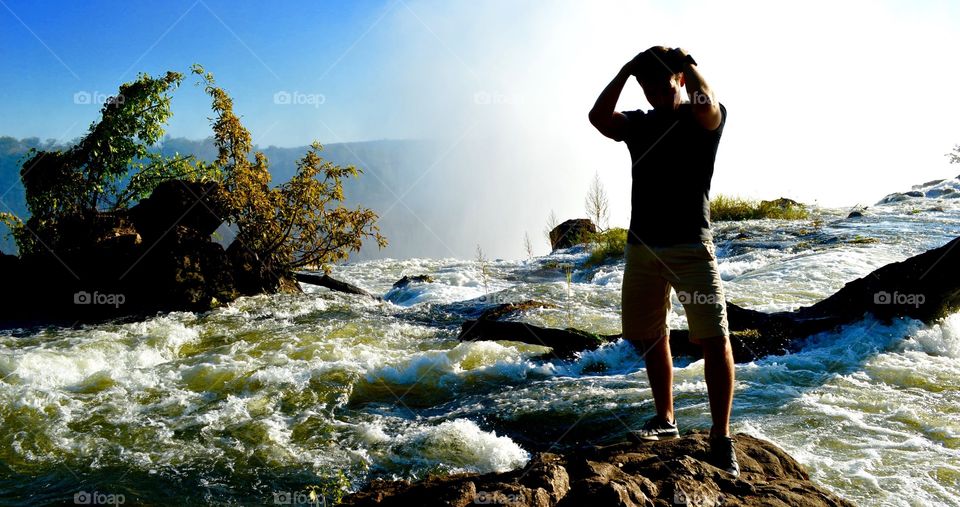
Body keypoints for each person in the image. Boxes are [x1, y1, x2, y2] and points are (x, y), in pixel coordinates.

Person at [588, 45, 739, 477]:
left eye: (662, 86)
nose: (655, 94)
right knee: (652, 335)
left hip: (691, 246)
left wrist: (687, 61)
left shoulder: (702, 119)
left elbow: (707, 101)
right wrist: (625, 71)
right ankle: (666, 419)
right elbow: (598, 117)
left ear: (679, 81)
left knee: (714, 338)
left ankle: (721, 437)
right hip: (642, 248)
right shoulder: (639, 124)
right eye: (647, 88)